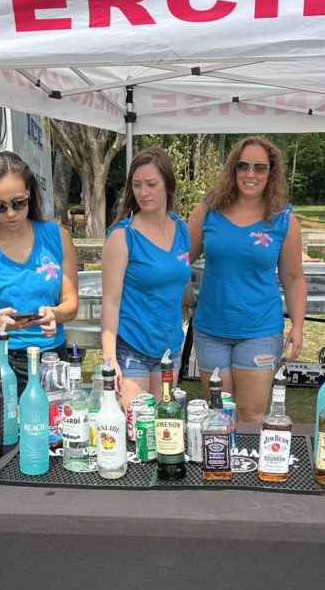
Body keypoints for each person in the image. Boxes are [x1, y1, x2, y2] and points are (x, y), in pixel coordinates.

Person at [187, 136, 306, 422]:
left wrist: (298, 325)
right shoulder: (206, 211)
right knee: (219, 415)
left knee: (250, 414)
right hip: (211, 331)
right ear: (233, 168)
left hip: (260, 331)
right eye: (243, 166)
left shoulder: (284, 220)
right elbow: (179, 263)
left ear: (271, 173)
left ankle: (248, 455)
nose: (250, 174)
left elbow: (293, 278)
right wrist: (186, 299)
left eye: (260, 167)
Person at [0, 151, 79, 394]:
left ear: (30, 193)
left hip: (53, 357)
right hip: (3, 360)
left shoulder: (58, 238)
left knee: (56, 418)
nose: (11, 213)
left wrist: (53, 313)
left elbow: (71, 304)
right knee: (9, 421)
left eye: (18, 203)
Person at [101, 147, 191, 409]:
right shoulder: (122, 236)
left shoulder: (181, 227)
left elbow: (180, 278)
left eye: (151, 184)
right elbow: (110, 302)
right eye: (137, 184)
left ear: (168, 184)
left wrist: (194, 303)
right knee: (136, 426)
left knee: (165, 423)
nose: (143, 192)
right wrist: (109, 357)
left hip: (170, 346)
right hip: (132, 346)